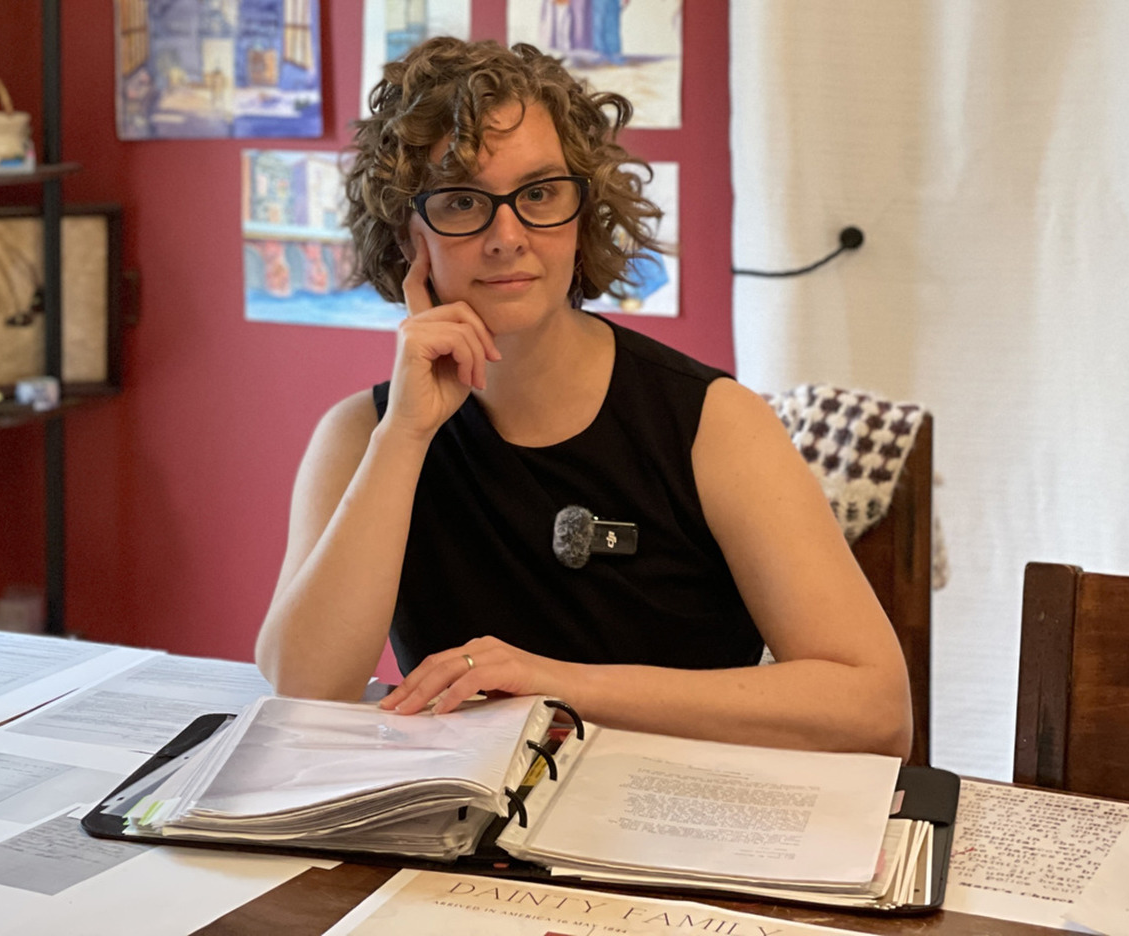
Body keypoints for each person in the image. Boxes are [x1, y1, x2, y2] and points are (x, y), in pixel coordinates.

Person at [254, 38, 912, 757]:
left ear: (582, 212)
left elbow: (874, 709)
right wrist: (405, 438)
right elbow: (302, 691)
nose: (507, 236)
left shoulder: (710, 422)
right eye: (464, 201)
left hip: (673, 824)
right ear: (414, 235)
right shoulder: (363, 434)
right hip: (463, 830)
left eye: (538, 194)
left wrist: (554, 686)